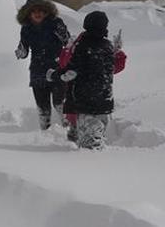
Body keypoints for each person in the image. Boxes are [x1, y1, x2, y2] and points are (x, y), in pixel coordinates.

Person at [47, 11, 115, 150]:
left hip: (86, 100)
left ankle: (88, 168)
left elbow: (71, 72)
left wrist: (54, 75)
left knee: (89, 144)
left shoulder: (83, 46)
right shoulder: (108, 46)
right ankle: (101, 165)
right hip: (105, 100)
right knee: (97, 138)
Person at [15, 0, 70, 130]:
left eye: (41, 10)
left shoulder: (56, 23)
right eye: (34, 11)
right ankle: (45, 135)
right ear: (28, 13)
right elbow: (24, 50)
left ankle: (70, 131)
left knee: (60, 104)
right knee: (42, 108)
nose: (38, 13)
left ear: (46, 11)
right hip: (37, 72)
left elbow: (68, 43)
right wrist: (21, 52)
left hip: (57, 70)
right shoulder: (26, 28)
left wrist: (64, 35)